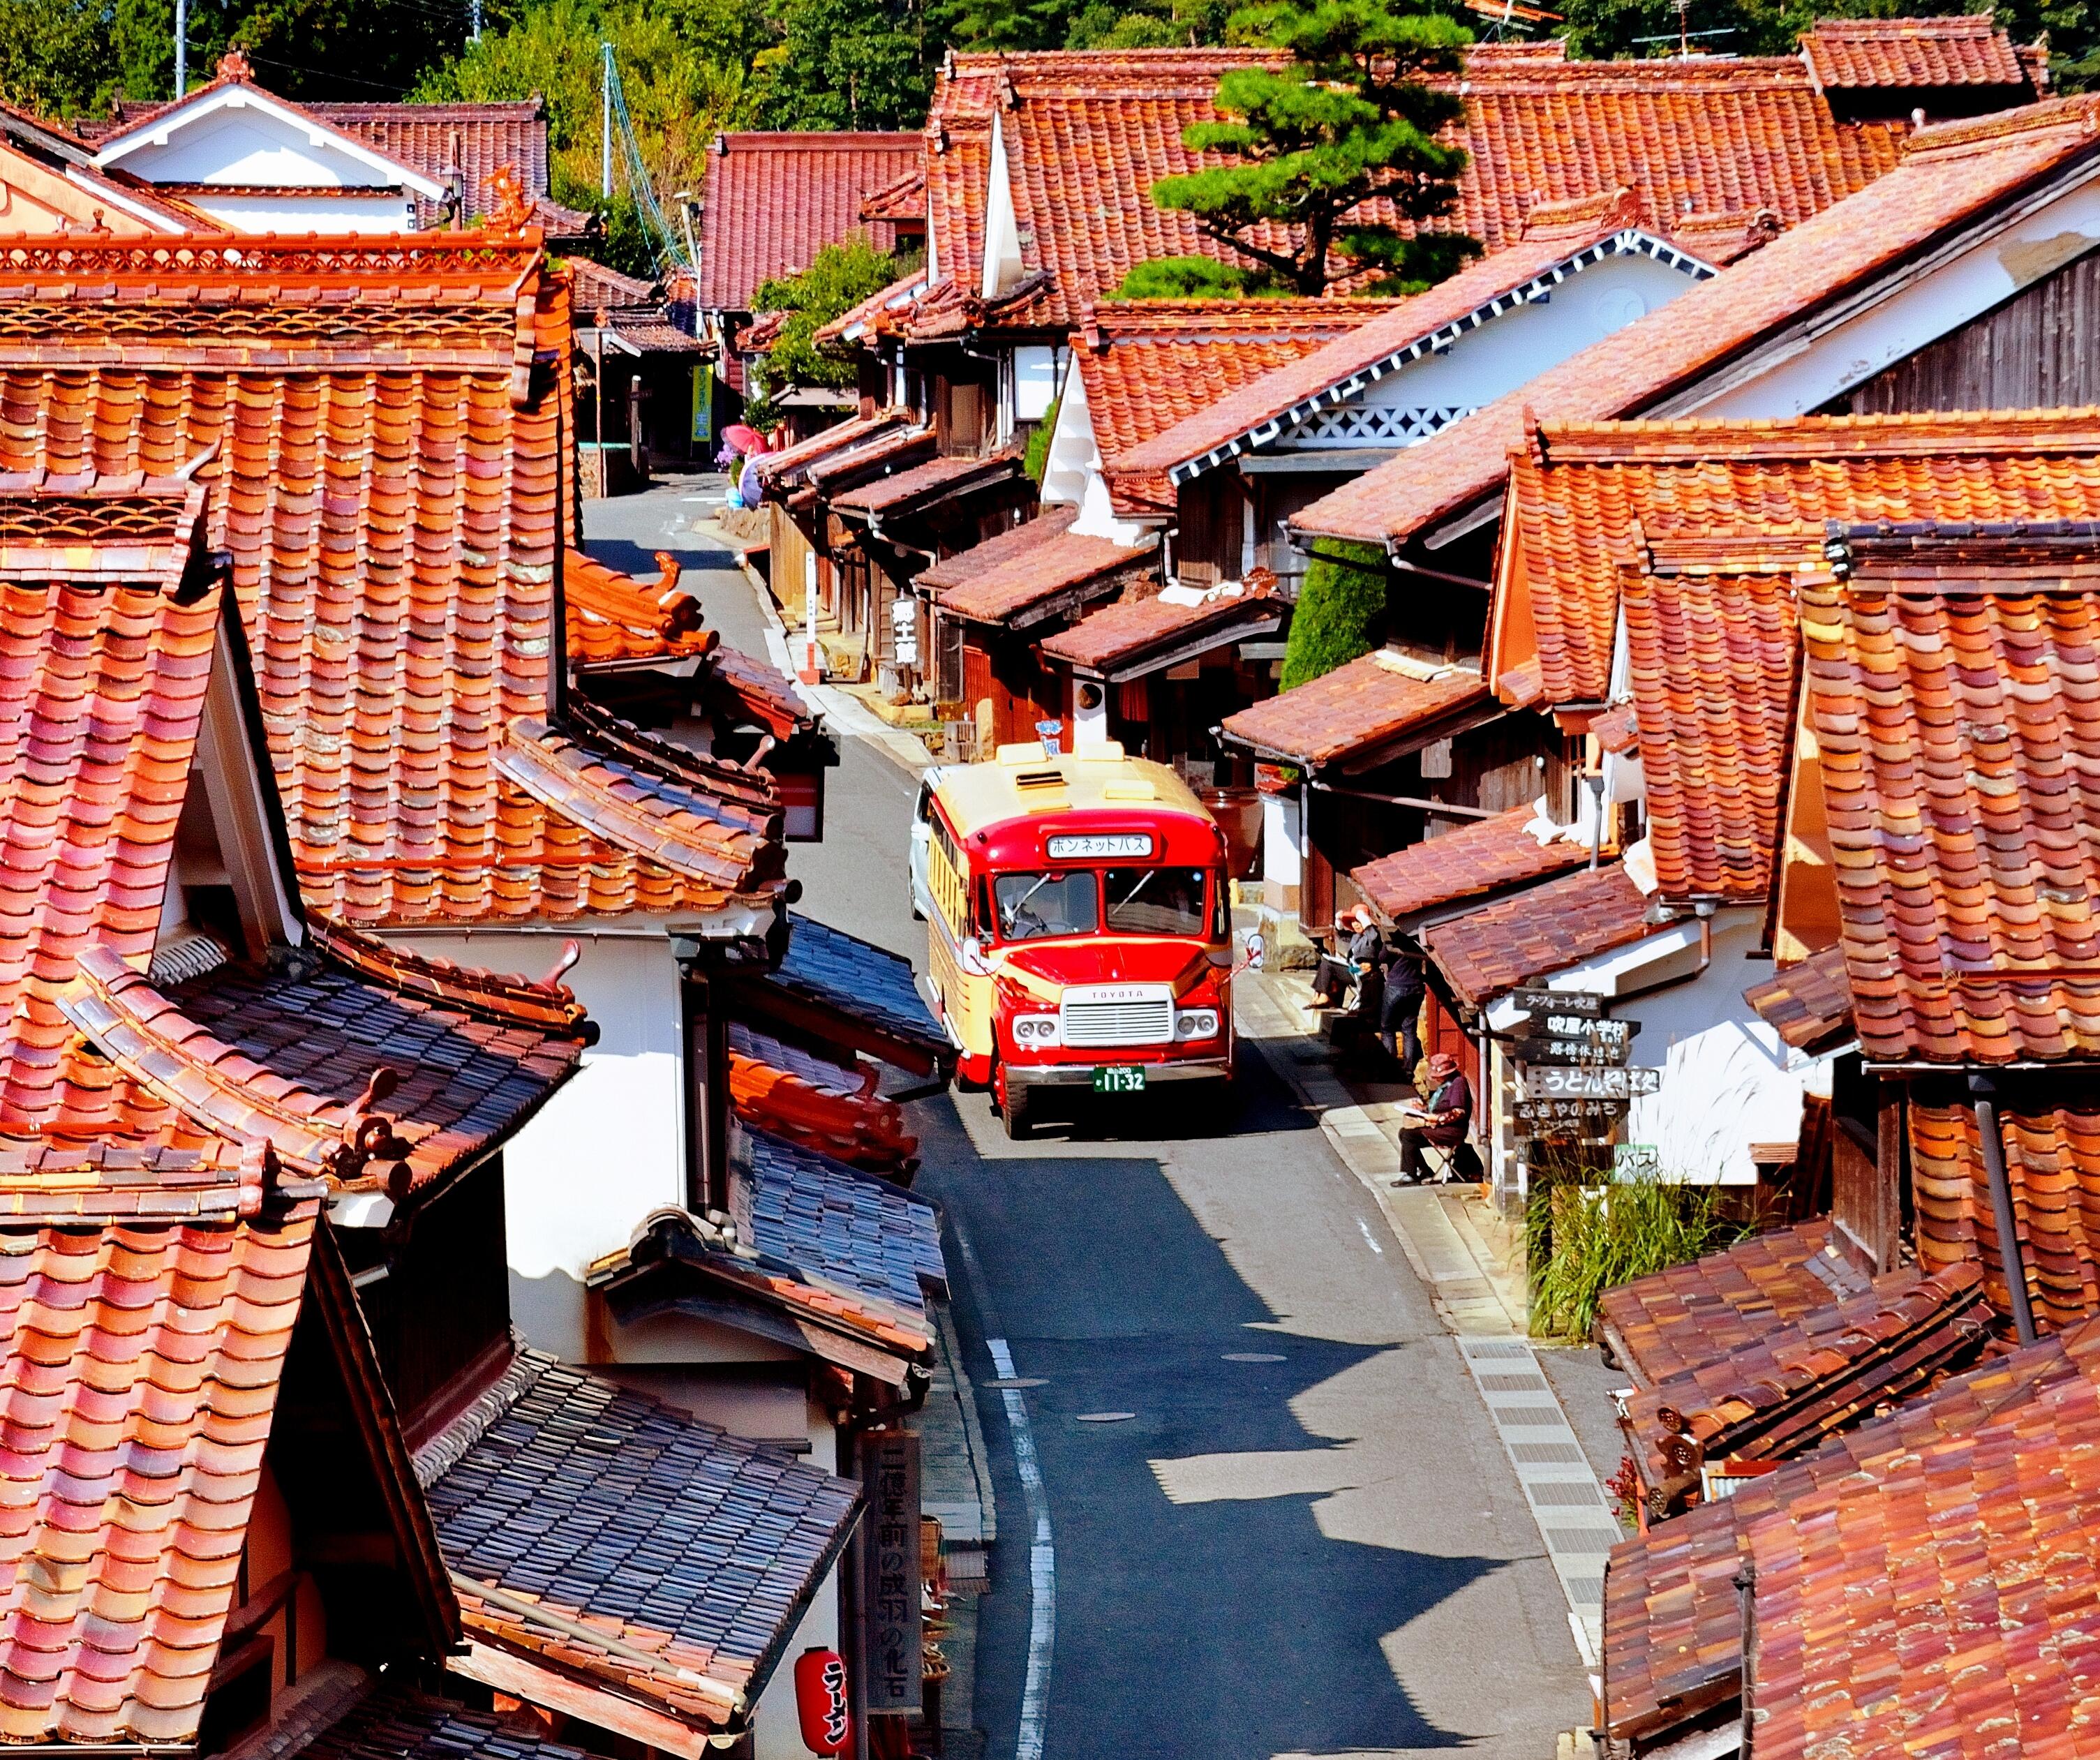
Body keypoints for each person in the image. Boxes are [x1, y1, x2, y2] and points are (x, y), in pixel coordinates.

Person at [1394, 1052, 1481, 1185]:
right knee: (1404, 1133)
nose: (1436, 1079)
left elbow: (1458, 1112)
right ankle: (1423, 1170)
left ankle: (1411, 1174)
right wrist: (1423, 1109)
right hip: (1441, 1127)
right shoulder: (1445, 1086)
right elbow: (1439, 1107)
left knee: (1408, 1135)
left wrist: (1437, 1119)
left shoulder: (1458, 1084)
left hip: (1451, 1130)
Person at [1309, 907, 1381, 1010]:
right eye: (1353, 922)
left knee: (1328, 965)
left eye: (1358, 921)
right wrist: (1338, 921)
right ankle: (1320, 996)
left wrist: (1365, 920)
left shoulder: (1371, 936)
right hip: (1354, 971)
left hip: (1363, 973)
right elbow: (1341, 935)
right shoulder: (1356, 936)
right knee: (1327, 964)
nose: (1355, 924)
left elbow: (1374, 936)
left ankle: (1324, 996)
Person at [1379, 932, 1425, 1074]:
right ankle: (1409, 1068)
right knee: (1409, 1030)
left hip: (1396, 987)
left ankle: (1390, 1068)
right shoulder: (1418, 940)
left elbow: (1382, 958)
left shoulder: (1394, 940)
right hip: (1416, 988)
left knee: (1387, 1029)